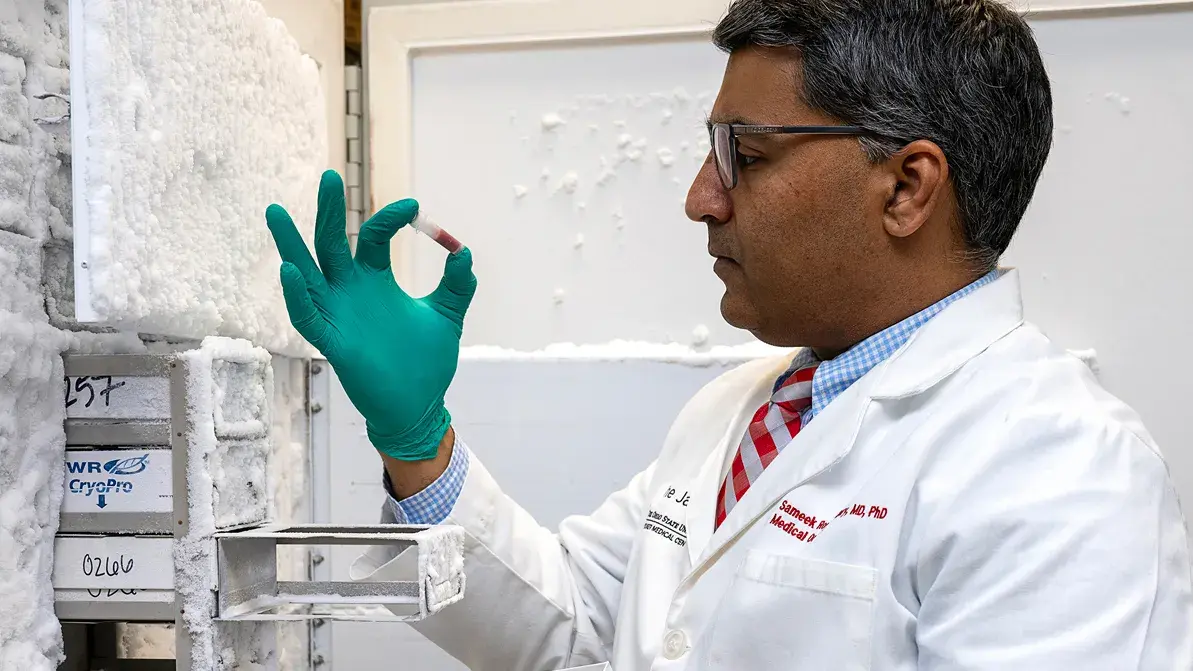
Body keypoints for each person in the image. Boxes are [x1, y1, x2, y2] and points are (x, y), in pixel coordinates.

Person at [264, 0, 1193, 668]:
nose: (701, 199)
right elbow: (574, 626)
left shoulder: (1061, 470)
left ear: (907, 186)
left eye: (741, 156)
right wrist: (418, 444)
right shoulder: (742, 409)